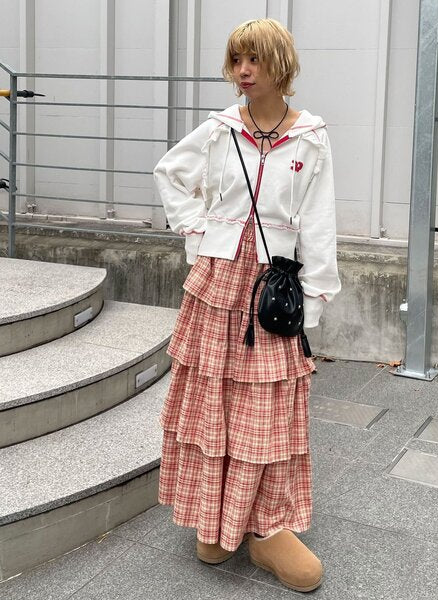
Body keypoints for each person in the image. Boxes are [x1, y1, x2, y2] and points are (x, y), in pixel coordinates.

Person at [153, 18, 341, 593]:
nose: (242, 71)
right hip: (216, 285)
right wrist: (198, 234)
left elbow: (319, 221)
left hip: (272, 291)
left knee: (267, 409)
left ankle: (266, 528)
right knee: (213, 400)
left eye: (253, 60)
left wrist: (314, 299)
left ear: (279, 64)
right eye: (236, 60)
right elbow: (170, 174)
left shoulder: (309, 138)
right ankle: (215, 518)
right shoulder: (220, 130)